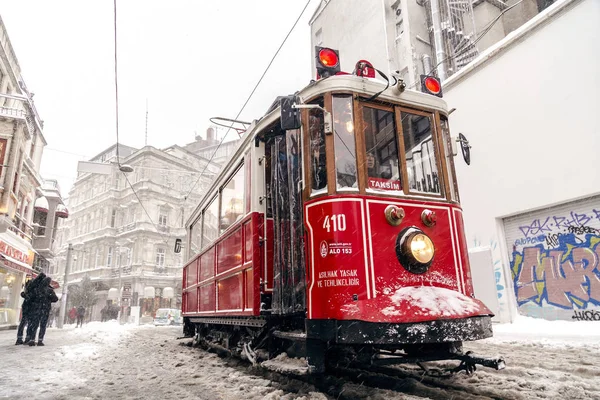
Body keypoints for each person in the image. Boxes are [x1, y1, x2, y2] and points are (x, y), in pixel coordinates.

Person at [25, 275, 58, 346]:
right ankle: (40, 340)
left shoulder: (37, 289)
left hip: (36, 309)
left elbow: (31, 297)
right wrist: (49, 297)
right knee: (43, 325)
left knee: (34, 325)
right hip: (45, 310)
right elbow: (55, 299)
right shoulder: (50, 290)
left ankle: (32, 340)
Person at [15, 280, 32, 345]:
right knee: (29, 324)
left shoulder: (27, 291)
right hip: (30, 308)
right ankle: (27, 339)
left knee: (23, 323)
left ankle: (19, 338)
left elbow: (23, 294)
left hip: (25, 307)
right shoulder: (33, 291)